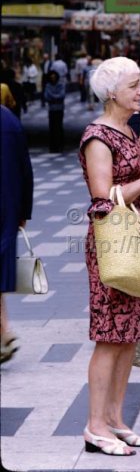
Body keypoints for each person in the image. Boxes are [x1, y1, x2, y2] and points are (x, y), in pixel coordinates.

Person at [79, 57, 140, 456]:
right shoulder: (98, 136)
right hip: (112, 244)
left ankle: (115, 419)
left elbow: (126, 184)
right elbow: (102, 196)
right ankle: (95, 425)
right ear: (111, 92)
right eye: (134, 85)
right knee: (109, 336)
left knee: (129, 335)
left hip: (136, 243)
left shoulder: (127, 130)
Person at [0, 105, 33, 364]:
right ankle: (4, 331)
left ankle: (4, 333)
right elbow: (25, 166)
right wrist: (23, 210)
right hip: (7, 207)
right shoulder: (9, 119)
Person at [44, 70, 65, 153]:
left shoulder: (61, 85)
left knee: (59, 127)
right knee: (52, 127)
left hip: (59, 109)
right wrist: (57, 97)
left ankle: (60, 145)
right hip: (52, 109)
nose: (53, 79)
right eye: (51, 77)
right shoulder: (48, 86)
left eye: (54, 77)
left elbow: (62, 95)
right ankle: (53, 146)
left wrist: (53, 97)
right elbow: (46, 96)